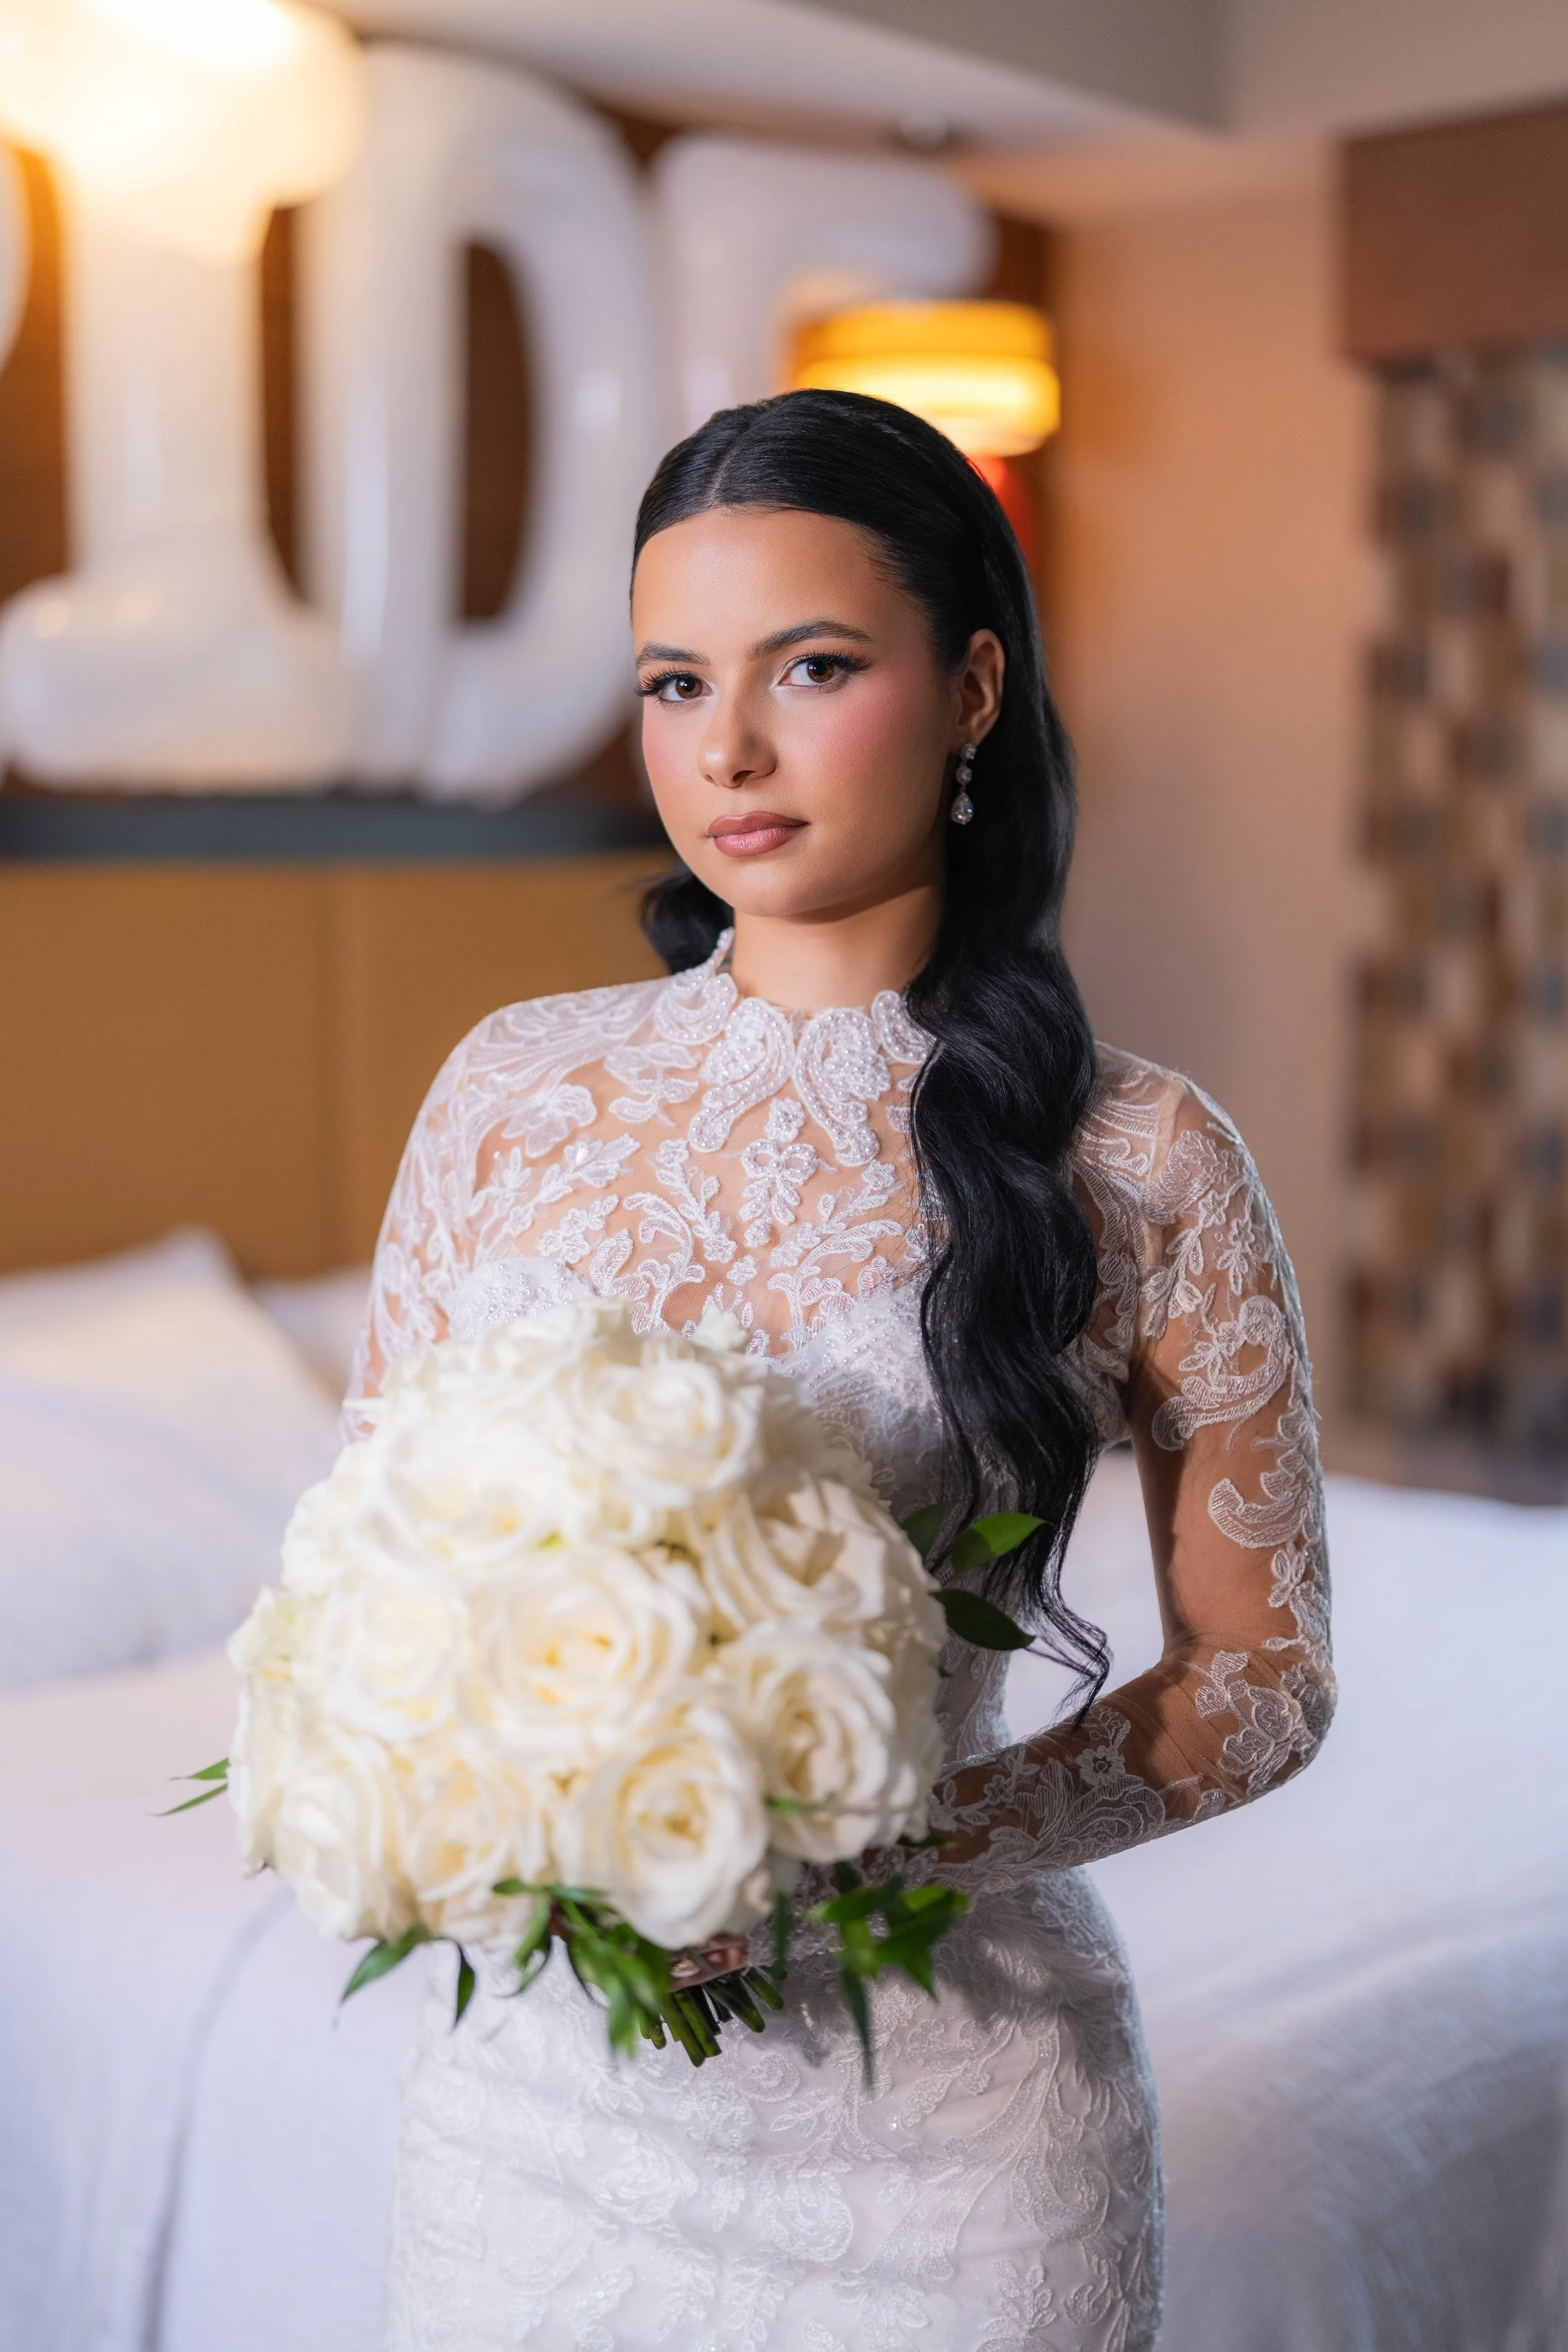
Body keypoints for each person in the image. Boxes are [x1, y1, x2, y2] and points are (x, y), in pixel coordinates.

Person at [352, 389, 1334, 2352]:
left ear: (972, 686)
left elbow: (1264, 1677)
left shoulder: (1139, 1158)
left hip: (955, 2142)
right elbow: (382, 1556)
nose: (723, 750)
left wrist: (880, 1848)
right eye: (670, 681)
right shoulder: (509, 1088)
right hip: (539, 2128)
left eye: (810, 668)